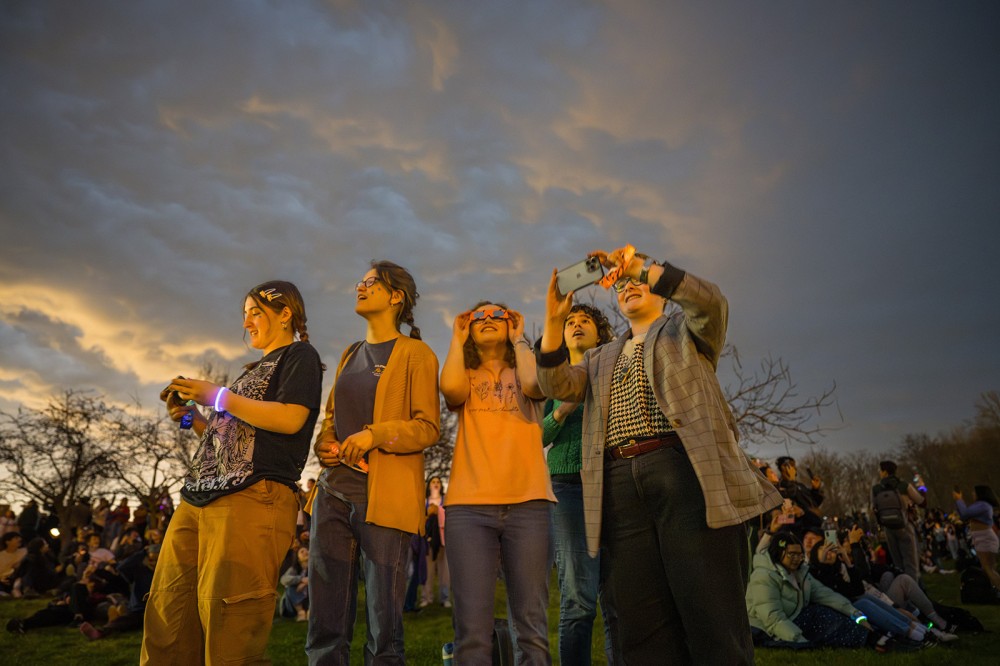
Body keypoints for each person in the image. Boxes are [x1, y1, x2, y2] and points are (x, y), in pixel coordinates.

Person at [536, 245, 782, 664]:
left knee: (710, 611)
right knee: (638, 620)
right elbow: (556, 384)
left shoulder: (687, 331)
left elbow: (711, 301)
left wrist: (639, 267)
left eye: (639, 284)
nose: (630, 288)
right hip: (618, 485)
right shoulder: (598, 357)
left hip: (685, 471)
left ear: (659, 292)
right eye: (623, 286)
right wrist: (555, 320)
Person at [141, 280, 324, 665]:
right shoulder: (250, 373)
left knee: (229, 624)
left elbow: (291, 419)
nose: (247, 323)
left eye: (255, 312)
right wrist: (188, 417)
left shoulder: (299, 356)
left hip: (252, 496)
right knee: (169, 613)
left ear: (285, 312)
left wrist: (219, 395)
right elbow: (227, 440)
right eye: (244, 315)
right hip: (198, 498)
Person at [308, 261, 440, 665]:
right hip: (331, 494)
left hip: (383, 502)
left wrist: (374, 435)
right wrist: (324, 444)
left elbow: (427, 428)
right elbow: (330, 421)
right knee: (325, 622)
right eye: (360, 281)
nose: (359, 287)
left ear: (395, 296)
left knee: (384, 628)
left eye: (370, 283)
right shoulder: (351, 353)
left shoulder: (416, 354)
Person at [441, 300, 555, 664]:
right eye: (478, 316)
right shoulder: (466, 372)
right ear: (469, 328)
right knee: (472, 633)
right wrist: (456, 340)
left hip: (530, 505)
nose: (487, 319)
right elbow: (451, 391)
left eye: (497, 315)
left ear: (511, 325)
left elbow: (537, 385)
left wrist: (521, 339)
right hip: (468, 509)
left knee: (532, 629)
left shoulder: (526, 368)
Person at [542, 303, 614, 665]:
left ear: (600, 332)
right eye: (569, 321)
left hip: (615, 484)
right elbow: (534, 436)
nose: (577, 325)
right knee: (579, 600)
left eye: (586, 320)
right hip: (568, 487)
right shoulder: (548, 375)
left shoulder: (614, 369)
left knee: (619, 599)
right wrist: (561, 409)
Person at [746, 531, 871, 648]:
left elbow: (825, 594)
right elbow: (773, 618)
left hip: (793, 619)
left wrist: (856, 614)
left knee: (826, 613)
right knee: (822, 617)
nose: (797, 559)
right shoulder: (764, 576)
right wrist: (800, 641)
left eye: (800, 555)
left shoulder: (800, 572)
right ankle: (871, 640)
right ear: (778, 552)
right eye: (791, 554)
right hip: (766, 630)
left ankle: (872, 636)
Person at [872, 460, 925, 580]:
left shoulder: (876, 489)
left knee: (898, 563)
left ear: (885, 472)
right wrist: (922, 488)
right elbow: (922, 502)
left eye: (880, 471)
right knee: (911, 563)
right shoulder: (903, 486)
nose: (880, 473)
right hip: (905, 525)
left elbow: (874, 508)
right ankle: (914, 592)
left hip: (888, 528)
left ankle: (903, 591)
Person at [953, 484, 1000, 594]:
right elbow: (964, 516)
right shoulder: (982, 505)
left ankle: (998, 589)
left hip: (985, 539)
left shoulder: (982, 505)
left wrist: (959, 500)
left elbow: (964, 514)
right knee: (988, 568)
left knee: (988, 568)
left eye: (974, 492)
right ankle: (992, 589)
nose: (973, 494)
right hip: (982, 538)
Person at [419, 476, 449, 609]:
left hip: (443, 541)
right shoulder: (424, 502)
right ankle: (426, 597)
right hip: (428, 542)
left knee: (445, 572)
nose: (436, 484)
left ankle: (445, 598)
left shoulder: (446, 501)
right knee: (428, 571)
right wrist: (428, 514)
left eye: (438, 482)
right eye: (433, 482)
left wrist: (439, 512)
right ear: (429, 485)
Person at [279, 546, 311, 621]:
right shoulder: (294, 569)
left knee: (316, 586)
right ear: (298, 558)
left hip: (308, 601)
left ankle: (311, 612)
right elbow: (283, 580)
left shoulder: (314, 568)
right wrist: (301, 579)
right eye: (302, 551)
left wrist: (305, 583)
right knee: (289, 587)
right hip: (293, 605)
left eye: (307, 550)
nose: (306, 552)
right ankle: (301, 613)